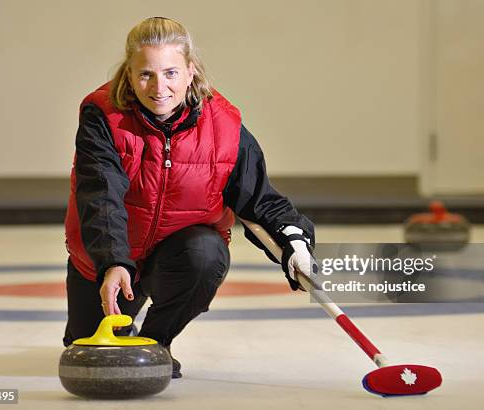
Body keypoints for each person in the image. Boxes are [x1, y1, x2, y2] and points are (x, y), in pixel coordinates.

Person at [63, 16, 315, 379]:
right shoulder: (104, 116)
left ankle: (155, 343)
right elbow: (100, 194)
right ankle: (116, 319)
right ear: (129, 76)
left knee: (207, 252)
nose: (159, 87)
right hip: (113, 257)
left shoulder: (223, 125)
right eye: (145, 74)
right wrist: (112, 262)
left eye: (170, 73)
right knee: (86, 347)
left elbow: (259, 197)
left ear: (190, 71)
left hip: (175, 255)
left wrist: (295, 239)